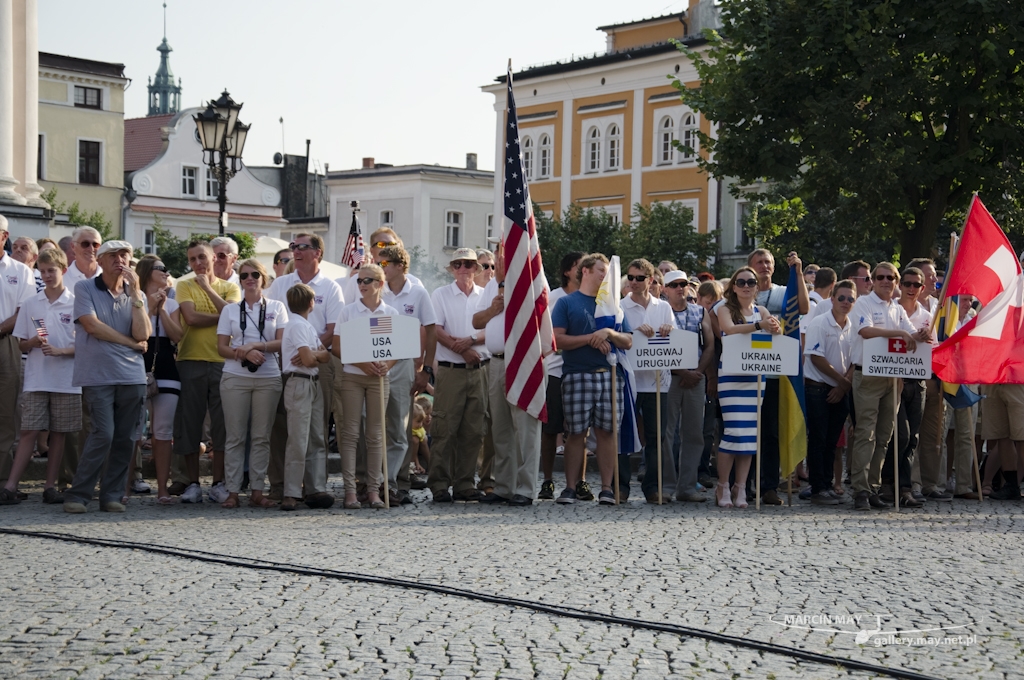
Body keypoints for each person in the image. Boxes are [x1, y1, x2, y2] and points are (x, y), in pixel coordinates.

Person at [63, 241, 150, 513]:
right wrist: (129, 343)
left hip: (131, 375)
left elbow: (143, 334)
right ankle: (78, 495)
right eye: (112, 255)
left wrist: (136, 292)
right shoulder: (84, 287)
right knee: (103, 434)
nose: (120, 260)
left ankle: (111, 495)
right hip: (98, 374)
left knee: (125, 438)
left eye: (125, 254)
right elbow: (91, 326)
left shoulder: (138, 295)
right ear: (100, 261)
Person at [265, 233, 344, 500]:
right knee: (282, 429)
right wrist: (301, 349)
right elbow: (273, 324)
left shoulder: (331, 287)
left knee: (316, 430)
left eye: (302, 247)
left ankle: (315, 488)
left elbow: (333, 329)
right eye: (293, 247)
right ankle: (281, 486)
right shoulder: (281, 284)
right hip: (288, 364)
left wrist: (309, 349)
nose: (296, 251)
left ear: (317, 253)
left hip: (316, 365)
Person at [552, 253, 633, 505]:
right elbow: (557, 340)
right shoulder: (567, 303)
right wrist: (589, 338)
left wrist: (608, 332)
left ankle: (607, 488)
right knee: (576, 433)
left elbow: (628, 341)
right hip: (577, 375)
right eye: (601, 270)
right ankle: (570, 487)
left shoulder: (613, 305)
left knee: (608, 432)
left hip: (610, 376)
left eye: (607, 272)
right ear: (585, 271)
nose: (605, 276)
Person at [848, 262, 929, 511]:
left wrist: (922, 335)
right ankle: (860, 490)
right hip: (868, 376)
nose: (885, 281)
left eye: (890, 277)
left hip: (892, 378)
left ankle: (873, 487)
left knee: (884, 437)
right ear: (872, 280)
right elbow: (865, 330)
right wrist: (901, 335)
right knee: (866, 434)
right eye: (880, 277)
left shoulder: (896, 308)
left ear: (895, 282)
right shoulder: (864, 302)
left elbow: (911, 334)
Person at [1, 249, 78, 505]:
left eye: (51, 271)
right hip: (37, 378)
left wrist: (61, 351)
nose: (46, 276)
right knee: (28, 431)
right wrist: (33, 341)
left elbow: (84, 346)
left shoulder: (76, 302)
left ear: (63, 270)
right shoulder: (32, 303)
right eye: (43, 271)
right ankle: (11, 486)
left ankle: (49, 487)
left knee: (58, 433)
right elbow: (20, 345)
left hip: (66, 380)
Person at [471, 244, 543, 506]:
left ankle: (525, 489)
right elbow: (477, 321)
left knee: (525, 428)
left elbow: (529, 315)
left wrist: (503, 286)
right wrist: (493, 307)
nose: (500, 261)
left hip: (523, 360)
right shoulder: (491, 285)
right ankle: (503, 486)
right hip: (496, 362)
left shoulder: (530, 280)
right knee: (500, 427)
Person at [172, 241, 240, 503]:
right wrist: (224, 316)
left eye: (202, 257)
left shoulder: (230, 287)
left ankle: (219, 482)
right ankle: (192, 482)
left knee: (222, 425)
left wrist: (207, 288)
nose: (197, 263)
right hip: (190, 359)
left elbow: (232, 316)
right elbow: (191, 318)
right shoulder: (183, 285)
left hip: (222, 361)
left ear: (213, 258)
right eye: (192, 259)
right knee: (190, 423)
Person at [217, 258, 288, 509]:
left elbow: (282, 343)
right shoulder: (230, 310)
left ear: (263, 279)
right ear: (240, 279)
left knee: (261, 437)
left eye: (255, 274)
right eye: (245, 274)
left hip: (268, 376)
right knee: (235, 436)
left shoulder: (277, 307)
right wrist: (243, 353)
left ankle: (258, 490)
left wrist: (255, 346)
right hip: (236, 377)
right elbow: (221, 348)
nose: (250, 278)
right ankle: (233, 491)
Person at [746, 248, 809, 505]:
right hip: (747, 370)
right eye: (759, 262)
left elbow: (803, 307)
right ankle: (744, 485)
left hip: (774, 372)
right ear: (750, 265)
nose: (764, 266)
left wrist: (799, 273)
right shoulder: (741, 289)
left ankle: (769, 486)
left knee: (771, 432)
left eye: (768, 262)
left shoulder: (784, 292)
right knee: (746, 430)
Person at [715, 267, 781, 508]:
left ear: (756, 286)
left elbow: (774, 336)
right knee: (733, 432)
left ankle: (740, 487)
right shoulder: (724, 309)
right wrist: (758, 326)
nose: (746, 286)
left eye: (751, 282)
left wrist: (774, 328)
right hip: (732, 377)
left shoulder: (761, 311)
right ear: (733, 286)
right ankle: (723, 484)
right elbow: (729, 330)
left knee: (750, 436)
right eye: (741, 282)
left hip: (755, 377)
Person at [427, 248, 489, 503]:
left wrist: (471, 340)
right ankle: (440, 484)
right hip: (452, 370)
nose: (462, 268)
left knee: (474, 430)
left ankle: (465, 482)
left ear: (476, 268)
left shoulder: (486, 296)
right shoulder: (440, 294)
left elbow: (493, 328)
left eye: (468, 264)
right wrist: (462, 350)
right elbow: (436, 330)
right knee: (444, 429)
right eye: (457, 264)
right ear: (451, 268)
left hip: (479, 369)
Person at [334, 264, 397, 509]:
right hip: (352, 376)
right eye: (360, 281)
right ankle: (350, 491)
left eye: (367, 280)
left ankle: (373, 490)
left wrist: (386, 365)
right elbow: (337, 348)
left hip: (379, 378)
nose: (362, 285)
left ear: (380, 284)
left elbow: (395, 348)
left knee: (376, 434)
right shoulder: (348, 312)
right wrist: (362, 364)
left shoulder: (390, 312)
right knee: (350, 434)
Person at [377, 245, 436, 503]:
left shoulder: (419, 292)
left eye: (385, 264)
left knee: (400, 426)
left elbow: (431, 330)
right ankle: (378, 482)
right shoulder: (379, 291)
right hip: (377, 363)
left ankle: (398, 484)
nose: (382, 268)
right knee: (377, 424)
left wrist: (426, 369)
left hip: (403, 363)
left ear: (400, 265)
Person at [621, 258, 676, 503]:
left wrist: (668, 330)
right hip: (628, 379)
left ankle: (653, 487)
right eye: (630, 277)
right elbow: (617, 338)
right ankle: (620, 487)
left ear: (651, 280)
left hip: (657, 382)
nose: (633, 282)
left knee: (656, 437)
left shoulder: (663, 307)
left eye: (639, 278)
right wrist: (633, 334)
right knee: (623, 435)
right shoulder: (619, 307)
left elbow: (675, 340)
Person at [878, 267, 932, 508]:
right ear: (901, 285)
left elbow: (931, 346)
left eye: (916, 285)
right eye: (907, 283)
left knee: (912, 438)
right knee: (899, 435)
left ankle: (906, 486)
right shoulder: (893, 310)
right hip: (893, 381)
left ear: (922, 288)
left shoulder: (929, 314)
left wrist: (925, 336)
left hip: (917, 381)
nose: (911, 288)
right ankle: (888, 482)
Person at [133, 256, 183, 504]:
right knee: (133, 429)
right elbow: (136, 332)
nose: (166, 272)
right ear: (146, 272)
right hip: (136, 362)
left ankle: (163, 488)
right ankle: (126, 484)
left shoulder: (172, 304)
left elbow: (178, 336)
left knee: (163, 430)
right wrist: (150, 308)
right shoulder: (134, 299)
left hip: (165, 363)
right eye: (161, 268)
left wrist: (162, 310)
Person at [662, 272, 716, 502]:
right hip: (669, 377)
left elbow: (710, 344)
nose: (679, 288)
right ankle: (665, 486)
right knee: (666, 433)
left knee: (694, 434)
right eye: (673, 285)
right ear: (664, 289)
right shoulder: (659, 311)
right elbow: (656, 348)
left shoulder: (700, 311)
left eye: (683, 284)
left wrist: (698, 373)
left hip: (696, 376)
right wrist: (681, 372)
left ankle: (686, 486)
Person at [802, 280, 856, 505]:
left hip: (840, 389)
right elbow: (816, 357)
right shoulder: (819, 323)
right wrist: (842, 382)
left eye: (850, 299)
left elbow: (856, 359)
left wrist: (843, 385)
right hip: (818, 388)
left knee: (833, 442)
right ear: (832, 299)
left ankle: (826, 484)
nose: (845, 302)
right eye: (841, 298)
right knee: (818, 439)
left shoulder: (853, 326)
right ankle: (817, 488)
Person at [280, 283, 332, 511]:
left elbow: (323, 356)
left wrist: (315, 355)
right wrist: (315, 355)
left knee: (315, 437)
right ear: (311, 303)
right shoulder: (299, 326)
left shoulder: (304, 326)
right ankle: (292, 491)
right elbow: (313, 359)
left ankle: (314, 488)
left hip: (310, 382)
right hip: (300, 380)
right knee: (299, 439)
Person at [540, 251, 582, 500]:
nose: (583, 270)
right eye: (579, 266)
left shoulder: (592, 298)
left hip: (579, 369)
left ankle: (580, 481)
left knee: (579, 430)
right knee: (551, 428)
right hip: (555, 369)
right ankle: (547, 480)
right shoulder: (553, 297)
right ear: (567, 271)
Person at [0, 218, 35, 484]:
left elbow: (24, 311)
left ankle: (2, 480)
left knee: (5, 412)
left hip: (6, 342)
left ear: (4, 236)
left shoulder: (20, 271)